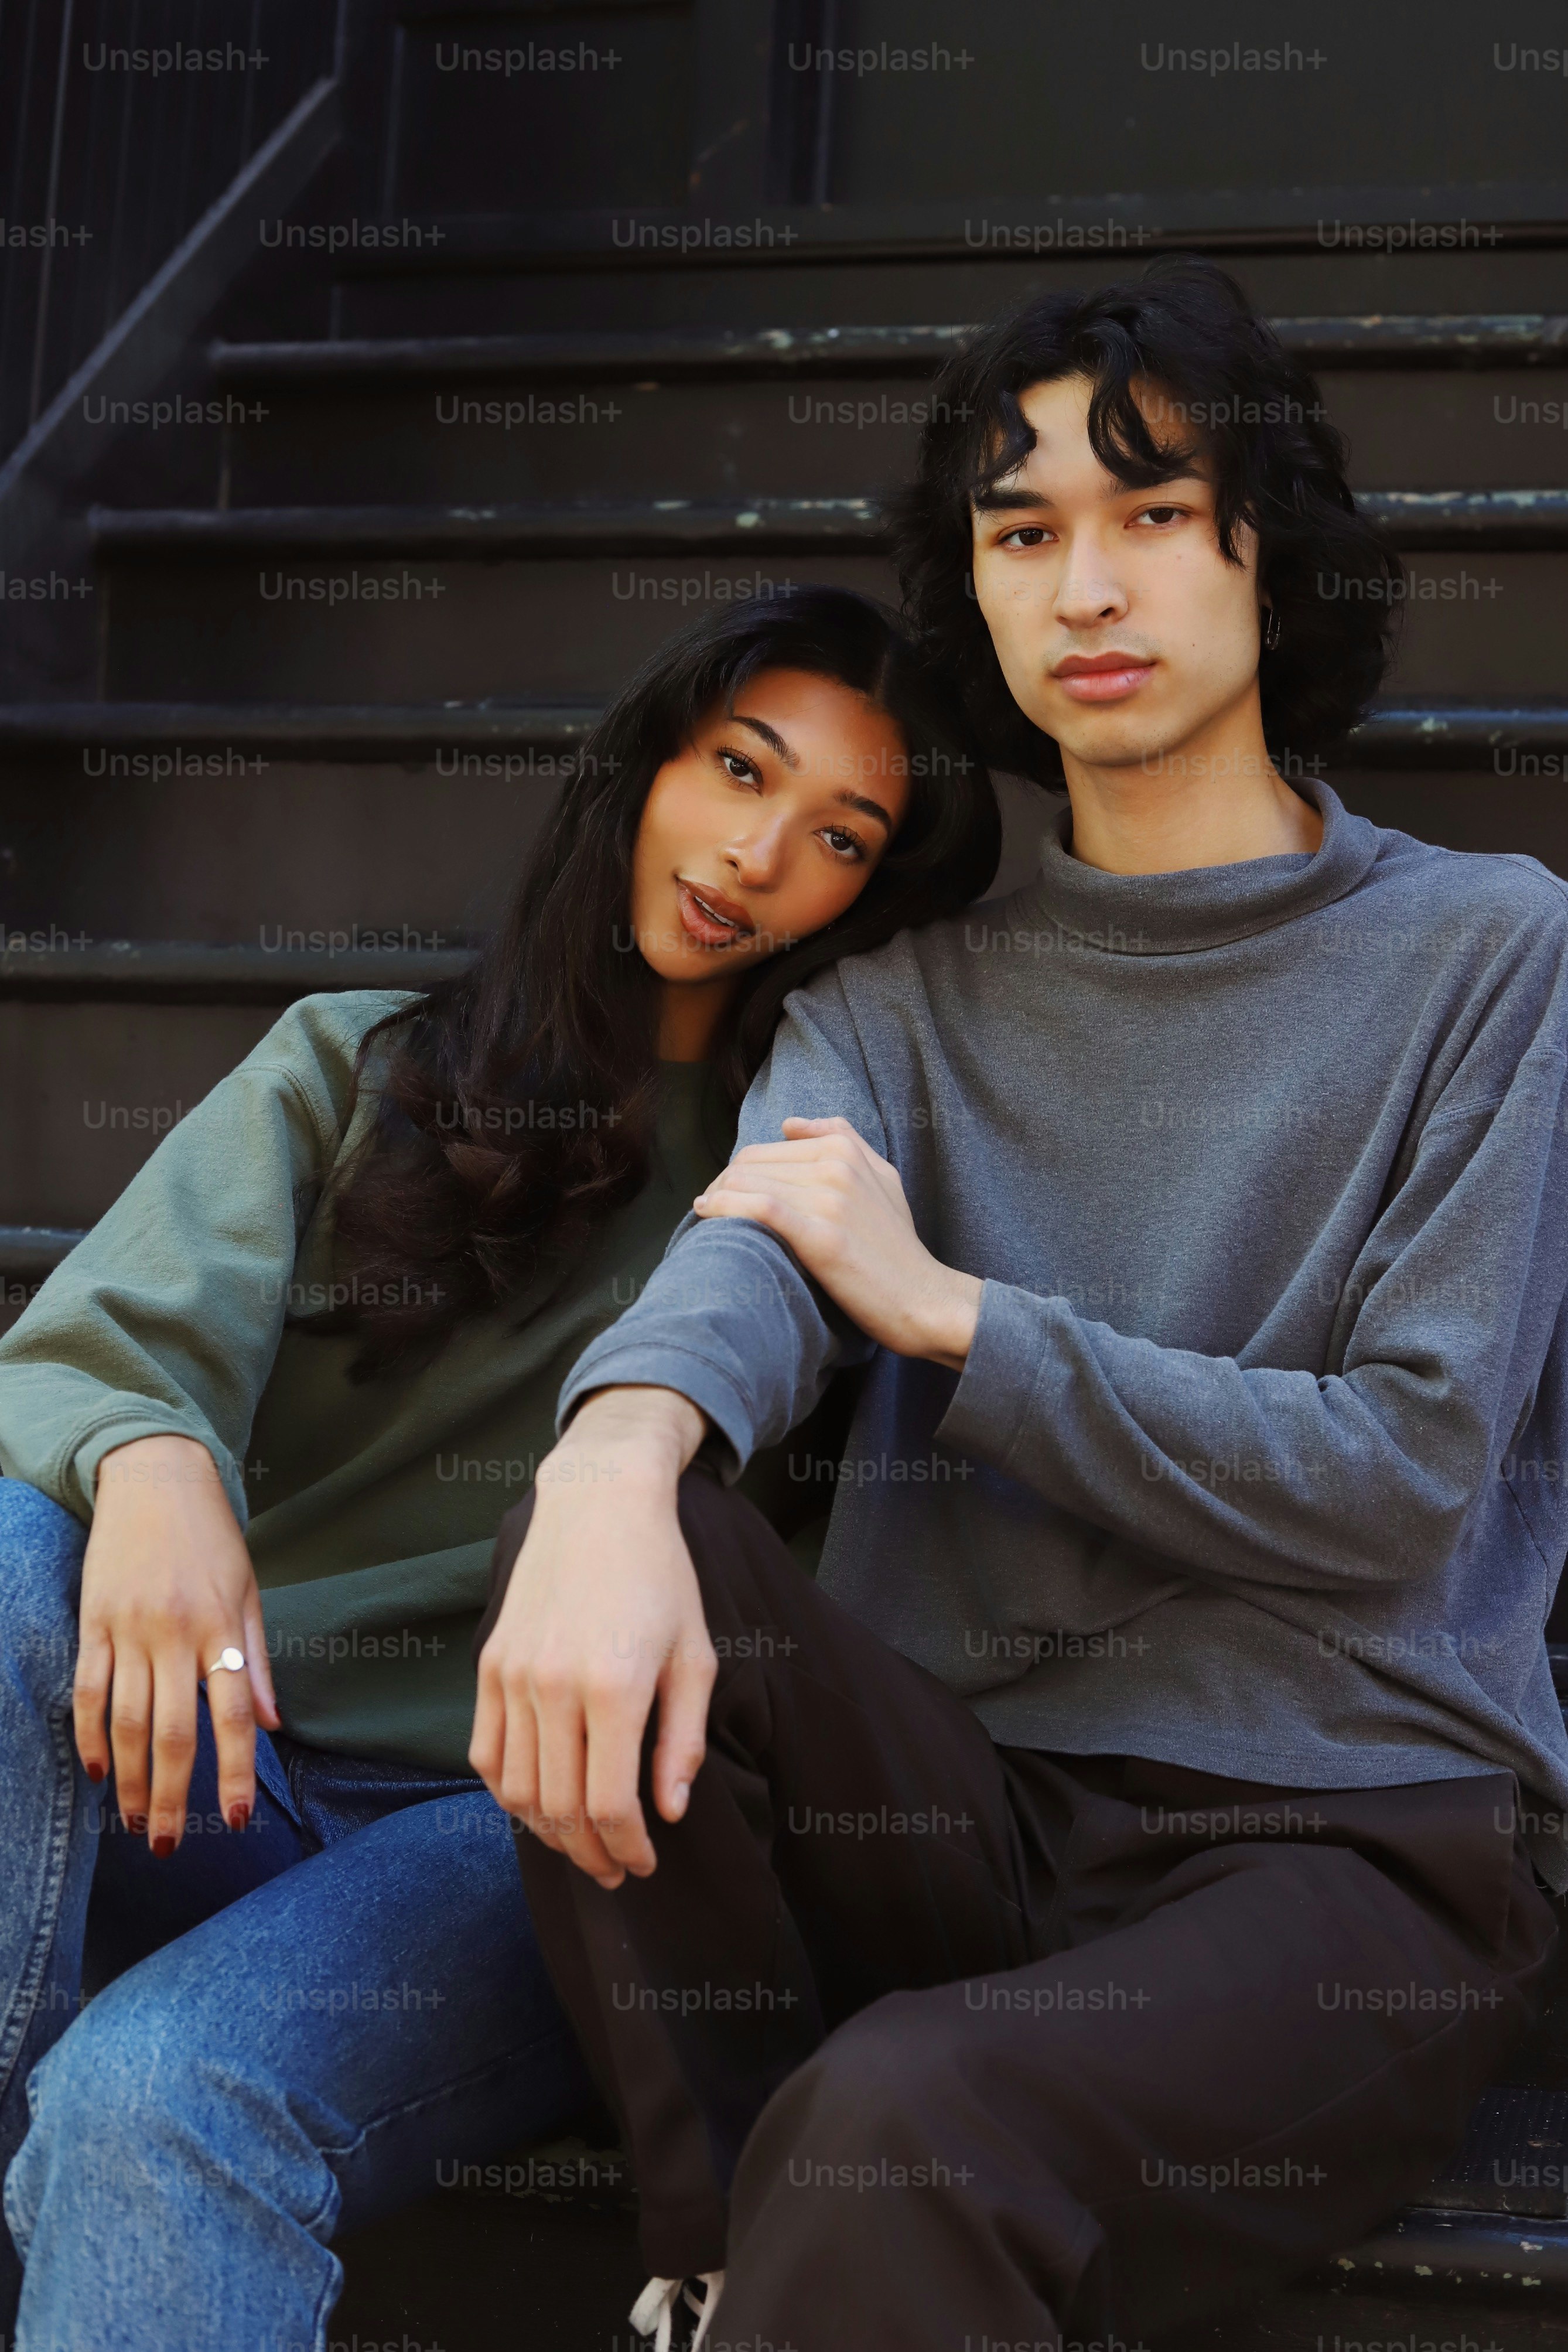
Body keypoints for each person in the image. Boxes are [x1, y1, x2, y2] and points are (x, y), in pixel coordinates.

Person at [475, 258, 1568, 2352]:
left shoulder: (1490, 958)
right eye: (1024, 530)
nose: (1088, 586)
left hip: (1346, 1859)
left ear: (1273, 557)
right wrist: (615, 1461)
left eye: (1154, 516)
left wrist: (961, 1321)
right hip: (967, 1820)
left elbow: (1409, 1483)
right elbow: (750, 1271)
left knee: (901, 2120)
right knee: (607, 1529)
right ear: (971, 592)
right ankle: (711, 2269)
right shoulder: (899, 1005)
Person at [0, 585, 999, 2350]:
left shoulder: (812, 1180)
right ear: (646, 765)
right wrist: (154, 1462)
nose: (760, 854)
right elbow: (94, 1352)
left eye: (838, 834)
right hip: (208, 1769)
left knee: (157, 2093)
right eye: (737, 770)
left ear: (873, 889)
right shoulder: (357, 1066)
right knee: (13, 1536)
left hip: (521, 1831)